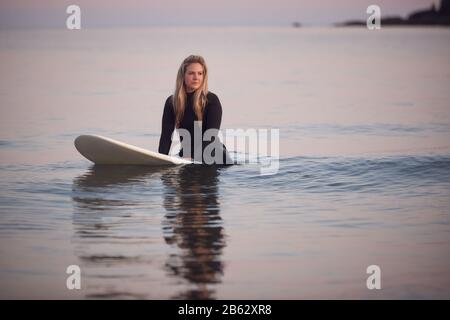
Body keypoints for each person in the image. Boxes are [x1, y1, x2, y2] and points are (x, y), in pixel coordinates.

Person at [158, 55, 232, 165]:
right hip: (187, 157)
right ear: (183, 75)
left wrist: (194, 157)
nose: (196, 77)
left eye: (200, 73)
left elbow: (210, 135)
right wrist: (160, 161)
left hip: (214, 156)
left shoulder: (211, 100)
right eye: (191, 73)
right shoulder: (172, 102)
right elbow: (166, 136)